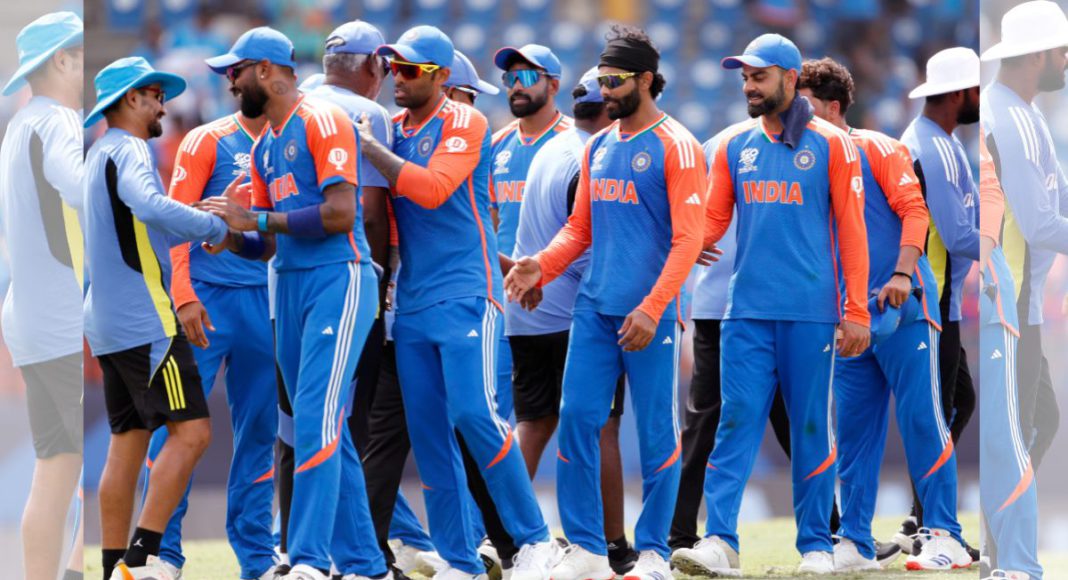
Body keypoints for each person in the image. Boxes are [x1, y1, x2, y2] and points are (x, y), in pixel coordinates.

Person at [505, 24, 707, 580]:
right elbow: (579, 229)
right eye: (600, 81)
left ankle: (655, 553)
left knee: (657, 432)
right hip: (593, 310)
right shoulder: (597, 146)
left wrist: (653, 307)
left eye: (614, 81)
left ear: (645, 80)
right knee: (576, 419)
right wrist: (540, 265)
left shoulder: (678, 145)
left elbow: (689, 240)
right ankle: (589, 550)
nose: (603, 91)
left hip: (649, 314)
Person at [358, 25, 558, 580]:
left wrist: (371, 149)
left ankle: (536, 541)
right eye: (393, 68)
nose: (398, 78)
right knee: (429, 438)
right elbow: (386, 215)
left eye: (411, 69)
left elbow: (431, 189)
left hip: (468, 291)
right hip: (413, 303)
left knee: (475, 414)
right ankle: (460, 559)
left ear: (442, 76)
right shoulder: (391, 128)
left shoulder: (464, 121)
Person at [670, 33, 869, 576]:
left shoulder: (833, 144)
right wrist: (683, 240)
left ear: (789, 76)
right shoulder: (736, 146)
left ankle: (816, 547)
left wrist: (856, 311)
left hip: (810, 313)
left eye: (758, 77)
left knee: (810, 429)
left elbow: (853, 233)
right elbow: (713, 220)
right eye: (744, 78)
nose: (748, 87)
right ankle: (721, 542)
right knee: (734, 425)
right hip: (745, 313)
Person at [197, 26, 387, 580]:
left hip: (337, 280)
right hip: (290, 285)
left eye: (235, 72)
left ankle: (307, 561)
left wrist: (252, 219)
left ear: (264, 70)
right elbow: (268, 243)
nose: (231, 84)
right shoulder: (263, 147)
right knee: (317, 422)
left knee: (316, 419)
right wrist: (230, 235)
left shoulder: (323, 120)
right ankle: (366, 565)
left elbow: (341, 215)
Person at [799, 56, 971, 571]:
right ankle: (854, 540)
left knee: (923, 421)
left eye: (805, 106)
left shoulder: (878, 147)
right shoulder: (803, 163)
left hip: (904, 307)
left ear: (834, 107)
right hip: (851, 320)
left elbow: (915, 212)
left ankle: (945, 535)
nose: (796, 117)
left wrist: (900, 274)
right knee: (854, 435)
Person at [83, 56, 230, 580]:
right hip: (144, 321)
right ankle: (141, 558)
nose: (163, 107)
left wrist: (195, 222)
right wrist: (213, 227)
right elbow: (147, 206)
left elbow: (139, 228)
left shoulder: (98, 153)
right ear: (131, 99)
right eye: (155, 96)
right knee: (193, 433)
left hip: (106, 322)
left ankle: (111, 568)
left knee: (127, 443)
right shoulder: (129, 149)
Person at [136, 58, 277, 579]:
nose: (233, 80)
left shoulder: (292, 141)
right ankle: (161, 553)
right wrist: (184, 295)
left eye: (240, 70)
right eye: (229, 73)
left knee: (260, 433)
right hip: (207, 302)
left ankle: (258, 558)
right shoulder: (206, 140)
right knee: (177, 429)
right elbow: (174, 222)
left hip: (267, 305)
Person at [509, 66, 636, 575]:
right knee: (601, 427)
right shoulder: (593, 157)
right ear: (609, 110)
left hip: (530, 314)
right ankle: (612, 545)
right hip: (574, 315)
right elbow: (591, 246)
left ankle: (504, 535)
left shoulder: (550, 149)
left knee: (533, 424)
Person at [0, 11, 85, 580]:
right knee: (87, 459)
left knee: (54, 466)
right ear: (62, 60)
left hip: (28, 320)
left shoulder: (19, 123)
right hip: (58, 320)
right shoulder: (58, 121)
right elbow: (80, 187)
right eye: (82, 59)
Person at [897, 46, 981, 557]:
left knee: (957, 402)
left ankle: (920, 516)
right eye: (978, 91)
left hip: (938, 298)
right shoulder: (935, 148)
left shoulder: (934, 139)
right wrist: (1007, 245)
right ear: (960, 94)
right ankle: (932, 527)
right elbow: (957, 235)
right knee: (938, 411)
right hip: (933, 299)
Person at [979, 119, 1039, 580]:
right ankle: (993, 556)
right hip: (960, 301)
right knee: (983, 435)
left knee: (1003, 435)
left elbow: (990, 196)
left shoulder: (987, 136)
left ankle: (1021, 564)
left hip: (991, 296)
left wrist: (980, 259)